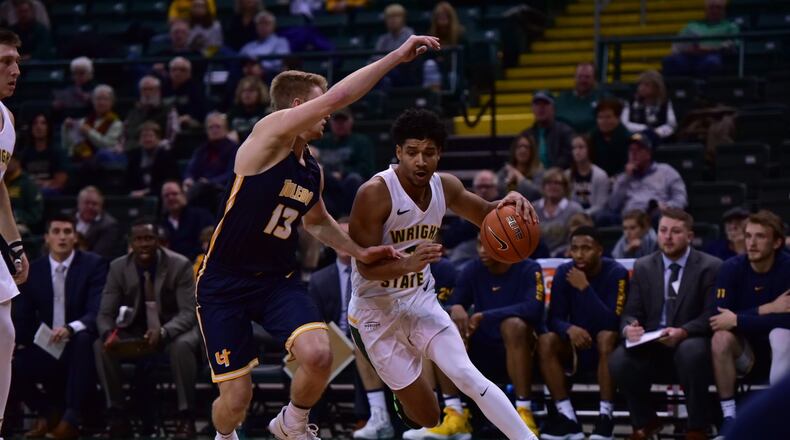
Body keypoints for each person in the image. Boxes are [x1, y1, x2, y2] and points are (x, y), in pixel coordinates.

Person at [195, 35, 440, 440]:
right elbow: (339, 97)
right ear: (298, 108)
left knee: (320, 353)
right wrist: (397, 56)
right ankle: (223, 437)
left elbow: (318, 223)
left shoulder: (312, 169)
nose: (327, 113)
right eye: (319, 104)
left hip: (275, 282)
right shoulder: (268, 135)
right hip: (223, 282)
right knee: (236, 400)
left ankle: (292, 424)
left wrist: (360, 250)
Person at [348, 108, 540, 440]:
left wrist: (511, 203)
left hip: (420, 301)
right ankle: (401, 392)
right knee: (426, 416)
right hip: (375, 311)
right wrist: (408, 263)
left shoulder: (445, 186)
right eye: (411, 153)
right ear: (398, 153)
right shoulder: (374, 193)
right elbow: (365, 265)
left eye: (429, 153)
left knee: (467, 374)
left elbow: (485, 214)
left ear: (439, 154)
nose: (420, 161)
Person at [609, 208, 722, 440]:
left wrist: (683, 332)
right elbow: (630, 312)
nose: (668, 237)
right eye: (663, 231)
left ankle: (697, 427)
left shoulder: (710, 266)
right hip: (653, 344)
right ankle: (646, 421)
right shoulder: (643, 266)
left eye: (675, 232)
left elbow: (711, 314)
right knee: (619, 359)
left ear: (690, 236)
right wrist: (629, 328)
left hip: (691, 342)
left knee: (691, 351)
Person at [94, 219, 201, 438]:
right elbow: (105, 313)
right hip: (134, 330)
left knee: (182, 346)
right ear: (130, 243)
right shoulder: (118, 267)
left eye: (149, 238)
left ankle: (186, 417)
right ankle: (117, 416)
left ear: (159, 241)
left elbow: (188, 313)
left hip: (173, 330)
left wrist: (163, 332)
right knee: (100, 346)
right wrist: (108, 334)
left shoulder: (179, 265)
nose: (144, 244)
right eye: (139, 239)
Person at [10, 214, 107, 440]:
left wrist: (71, 328)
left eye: (67, 232)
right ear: (46, 238)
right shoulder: (33, 269)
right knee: (14, 364)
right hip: (47, 343)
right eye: (56, 232)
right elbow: (23, 316)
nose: (62, 237)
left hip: (79, 342)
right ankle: (47, 413)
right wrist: (24, 340)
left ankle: (70, 420)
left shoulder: (94, 265)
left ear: (75, 237)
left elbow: (97, 309)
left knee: (83, 342)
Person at [447, 235, 546, 437]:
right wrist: (455, 307)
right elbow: (451, 302)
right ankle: (455, 414)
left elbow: (534, 309)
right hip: (481, 350)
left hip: (523, 350)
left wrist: (485, 316)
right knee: (444, 326)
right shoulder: (471, 269)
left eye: (489, 244)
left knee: (513, 325)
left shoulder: (529, 268)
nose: (482, 250)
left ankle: (524, 411)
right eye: (479, 244)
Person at [538, 226, 628, 440]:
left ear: (599, 250)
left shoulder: (617, 273)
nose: (579, 254)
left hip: (608, 349)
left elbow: (613, 322)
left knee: (606, 336)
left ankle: (605, 417)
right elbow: (553, 319)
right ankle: (568, 417)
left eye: (586, 248)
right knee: (546, 340)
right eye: (575, 248)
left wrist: (585, 288)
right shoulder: (564, 272)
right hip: (576, 347)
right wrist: (569, 329)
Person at [709, 210, 790, 435]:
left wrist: (738, 319)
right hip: (744, 353)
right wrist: (768, 309)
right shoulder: (731, 268)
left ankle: (780, 418)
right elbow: (718, 320)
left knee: (781, 334)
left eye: (760, 236)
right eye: (748, 236)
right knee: (720, 337)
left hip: (783, 353)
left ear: (777, 242)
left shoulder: (788, 268)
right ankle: (728, 417)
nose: (751, 243)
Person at [0, 28, 28, 439]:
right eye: (5, 61)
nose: (15, 69)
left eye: (17, 61)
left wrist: (15, 244)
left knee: (5, 334)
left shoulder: (7, 119)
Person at [607, 132, 687, 220]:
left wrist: (666, 207)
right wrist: (626, 178)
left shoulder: (666, 171)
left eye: (638, 150)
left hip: (655, 217)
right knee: (603, 217)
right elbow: (613, 206)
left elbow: (681, 199)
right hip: (629, 220)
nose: (633, 154)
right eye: (631, 150)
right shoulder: (623, 178)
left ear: (648, 154)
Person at [312, 108, 375, 217]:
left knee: (354, 179)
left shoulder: (361, 141)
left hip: (349, 185)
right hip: (328, 183)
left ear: (351, 121)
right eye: (337, 121)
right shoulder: (320, 142)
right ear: (330, 122)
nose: (340, 124)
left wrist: (342, 173)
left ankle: (349, 217)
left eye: (343, 121)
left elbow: (367, 168)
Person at [662, 0, 738, 77]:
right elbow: (677, 44)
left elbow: (731, 45)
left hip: (711, 57)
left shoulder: (730, 26)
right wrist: (687, 50)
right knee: (669, 60)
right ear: (706, 10)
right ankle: (677, 88)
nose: (715, 11)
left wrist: (707, 49)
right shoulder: (692, 25)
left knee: (712, 62)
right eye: (711, 8)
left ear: (724, 10)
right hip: (689, 56)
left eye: (718, 7)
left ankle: (702, 88)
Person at [183, 112, 238, 210]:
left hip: (221, 189)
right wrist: (189, 178)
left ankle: (182, 203)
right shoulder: (202, 150)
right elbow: (191, 169)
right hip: (200, 188)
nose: (214, 130)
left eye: (217, 127)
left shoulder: (234, 149)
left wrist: (209, 182)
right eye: (211, 127)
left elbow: (232, 174)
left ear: (226, 129)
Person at [61, 84, 123, 165]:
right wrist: (65, 128)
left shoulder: (117, 124)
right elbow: (66, 146)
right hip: (80, 163)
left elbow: (107, 145)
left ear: (112, 102)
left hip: (103, 166)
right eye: (98, 99)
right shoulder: (82, 121)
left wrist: (89, 132)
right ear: (93, 101)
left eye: (105, 99)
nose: (101, 102)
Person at [160, 180, 215, 261]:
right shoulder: (161, 224)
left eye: (174, 194)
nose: (171, 198)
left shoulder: (202, 215)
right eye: (166, 195)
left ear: (183, 195)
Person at [534, 167, 584, 256]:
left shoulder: (575, 210)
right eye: (549, 183)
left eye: (557, 183)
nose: (552, 186)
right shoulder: (532, 208)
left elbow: (578, 238)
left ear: (565, 187)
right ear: (543, 186)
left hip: (563, 256)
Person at [126, 122, 180, 198]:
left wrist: (147, 192)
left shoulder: (167, 156)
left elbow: (170, 181)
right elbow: (128, 180)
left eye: (150, 136)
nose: (147, 139)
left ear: (158, 139)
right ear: (139, 140)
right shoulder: (134, 156)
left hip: (161, 195)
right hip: (137, 196)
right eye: (144, 136)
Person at [19, 113, 69, 196]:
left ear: (48, 128)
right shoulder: (25, 153)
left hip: (49, 192)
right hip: (28, 192)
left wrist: (42, 184)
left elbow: (60, 181)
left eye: (43, 123)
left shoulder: (58, 152)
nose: (38, 127)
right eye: (35, 123)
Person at [524, 91, 574, 170]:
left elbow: (568, 158)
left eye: (545, 104)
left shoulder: (565, 132)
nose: (541, 108)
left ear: (553, 108)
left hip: (559, 177)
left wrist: (551, 173)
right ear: (532, 109)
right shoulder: (526, 135)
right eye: (537, 104)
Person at [621, 70, 677, 141]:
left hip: (660, 139)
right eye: (640, 84)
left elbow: (671, 125)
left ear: (657, 88)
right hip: (636, 139)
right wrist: (646, 129)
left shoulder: (665, 103)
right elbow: (624, 124)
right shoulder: (630, 102)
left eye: (646, 85)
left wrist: (656, 133)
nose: (641, 88)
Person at [422, 1, 466, 90]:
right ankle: (432, 98)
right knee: (429, 65)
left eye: (445, 15)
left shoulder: (460, 34)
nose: (442, 18)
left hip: (454, 68)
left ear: (451, 17)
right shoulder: (430, 34)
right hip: (437, 68)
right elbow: (427, 57)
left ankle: (451, 98)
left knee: (452, 77)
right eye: (440, 15)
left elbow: (464, 58)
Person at [124, 75, 174, 151]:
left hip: (156, 151)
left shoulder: (169, 111)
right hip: (130, 150)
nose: (147, 93)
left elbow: (171, 137)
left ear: (158, 91)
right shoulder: (133, 112)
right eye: (144, 89)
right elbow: (125, 135)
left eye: (151, 89)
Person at [565, 135, 608, 219]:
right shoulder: (567, 175)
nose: (577, 151)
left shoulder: (600, 175)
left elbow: (601, 205)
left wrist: (583, 214)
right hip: (571, 217)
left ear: (589, 149)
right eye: (574, 148)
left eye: (581, 147)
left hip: (594, 216)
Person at [555, 62, 604, 134]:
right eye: (580, 76)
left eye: (587, 77)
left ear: (595, 79)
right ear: (574, 78)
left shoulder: (603, 99)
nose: (583, 80)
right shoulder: (562, 99)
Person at [74, 186, 122, 258]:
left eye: (94, 204)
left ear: (101, 205)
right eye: (86, 203)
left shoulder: (109, 225)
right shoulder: (68, 220)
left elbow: (99, 254)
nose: (90, 207)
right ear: (79, 203)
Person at [239, 11, 291, 77]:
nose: (263, 26)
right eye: (260, 23)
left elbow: (279, 63)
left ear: (274, 26)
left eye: (266, 23)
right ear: (256, 27)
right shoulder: (249, 45)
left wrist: (261, 67)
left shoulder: (281, 42)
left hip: (270, 75)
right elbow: (239, 59)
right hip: (248, 75)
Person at [162, 56, 207, 130]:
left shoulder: (196, 89)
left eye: (183, 70)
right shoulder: (163, 88)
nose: (178, 73)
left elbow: (201, 111)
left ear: (189, 73)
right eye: (174, 69)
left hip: (187, 125)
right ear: (169, 72)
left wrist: (189, 117)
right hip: (165, 123)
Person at [590, 98, 631, 177]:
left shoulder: (628, 139)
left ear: (618, 118)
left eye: (608, 117)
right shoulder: (593, 136)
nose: (603, 121)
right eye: (600, 117)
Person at [497, 133, 544, 202]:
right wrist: (508, 182)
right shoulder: (505, 171)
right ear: (514, 150)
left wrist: (520, 178)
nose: (523, 150)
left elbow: (536, 194)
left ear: (532, 151)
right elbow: (498, 193)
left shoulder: (539, 172)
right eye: (519, 146)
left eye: (526, 147)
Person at [4, 154, 42, 235]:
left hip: (22, 227)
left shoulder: (28, 184)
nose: (5, 163)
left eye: (9, 159)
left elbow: (36, 215)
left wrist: (18, 216)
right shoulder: (2, 181)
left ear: (17, 162)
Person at [227, 75, 270, 143]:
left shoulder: (267, 113)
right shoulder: (233, 113)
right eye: (244, 90)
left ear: (260, 93)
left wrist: (239, 135)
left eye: (251, 90)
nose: (247, 94)